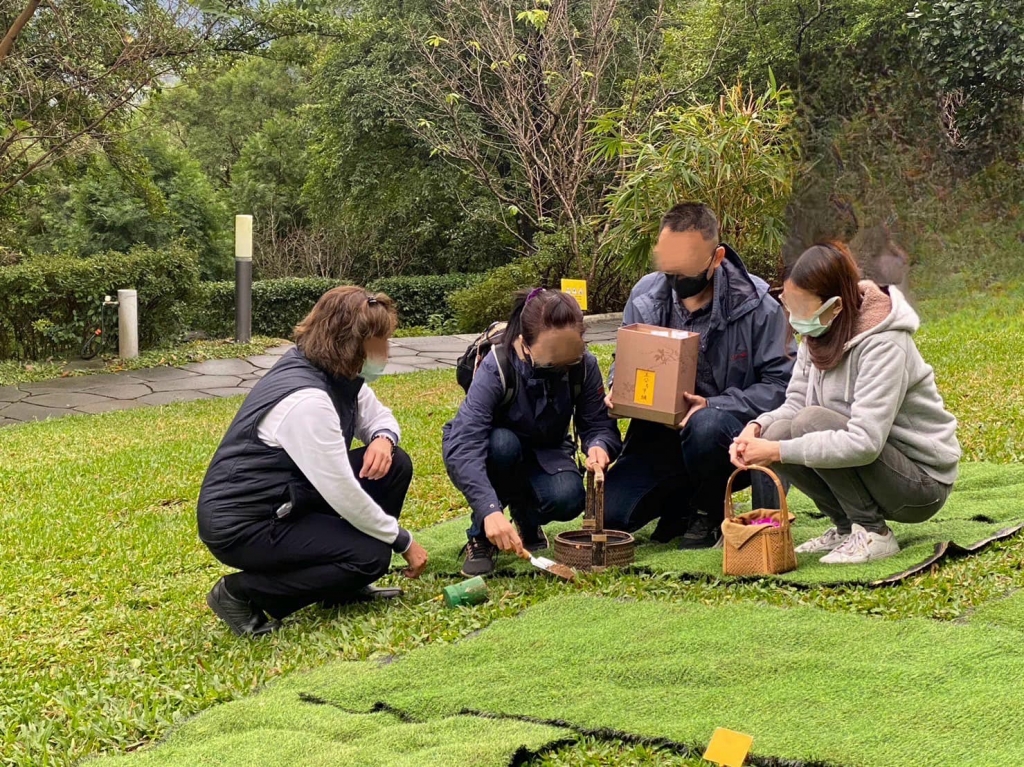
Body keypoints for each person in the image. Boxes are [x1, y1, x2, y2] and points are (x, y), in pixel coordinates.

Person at [197, 286, 428, 636]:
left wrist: (383, 439)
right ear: (350, 342)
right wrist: (402, 540)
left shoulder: (338, 373)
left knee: (394, 464)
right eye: (379, 342)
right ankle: (241, 593)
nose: (386, 353)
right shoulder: (307, 399)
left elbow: (379, 416)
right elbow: (342, 492)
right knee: (371, 557)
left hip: (289, 499)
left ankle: (342, 587)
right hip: (246, 524)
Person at [730, 243, 960, 564]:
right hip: (875, 471)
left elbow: (865, 442)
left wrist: (778, 452)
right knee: (777, 430)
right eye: (788, 304)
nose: (795, 318)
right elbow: (794, 403)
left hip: (919, 485)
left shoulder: (884, 343)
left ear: (835, 306)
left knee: (808, 423)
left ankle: (872, 532)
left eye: (801, 307)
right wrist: (756, 429)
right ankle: (846, 527)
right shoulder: (819, 332)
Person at [603, 202, 796, 547]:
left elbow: (782, 385)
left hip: (724, 438)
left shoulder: (757, 305)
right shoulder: (645, 296)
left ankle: (708, 510)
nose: (676, 274)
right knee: (612, 516)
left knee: (704, 424)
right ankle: (680, 503)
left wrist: (712, 403)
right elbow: (627, 357)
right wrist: (619, 384)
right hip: (658, 435)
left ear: (716, 257)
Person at [443, 288, 623, 576]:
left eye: (570, 357)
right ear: (523, 343)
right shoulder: (497, 366)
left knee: (568, 497)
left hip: (546, 449)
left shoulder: (585, 365)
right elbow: (464, 444)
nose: (562, 366)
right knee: (502, 445)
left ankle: (526, 517)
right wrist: (489, 509)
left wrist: (599, 445)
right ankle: (479, 536)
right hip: (494, 447)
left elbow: (598, 422)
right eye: (552, 359)